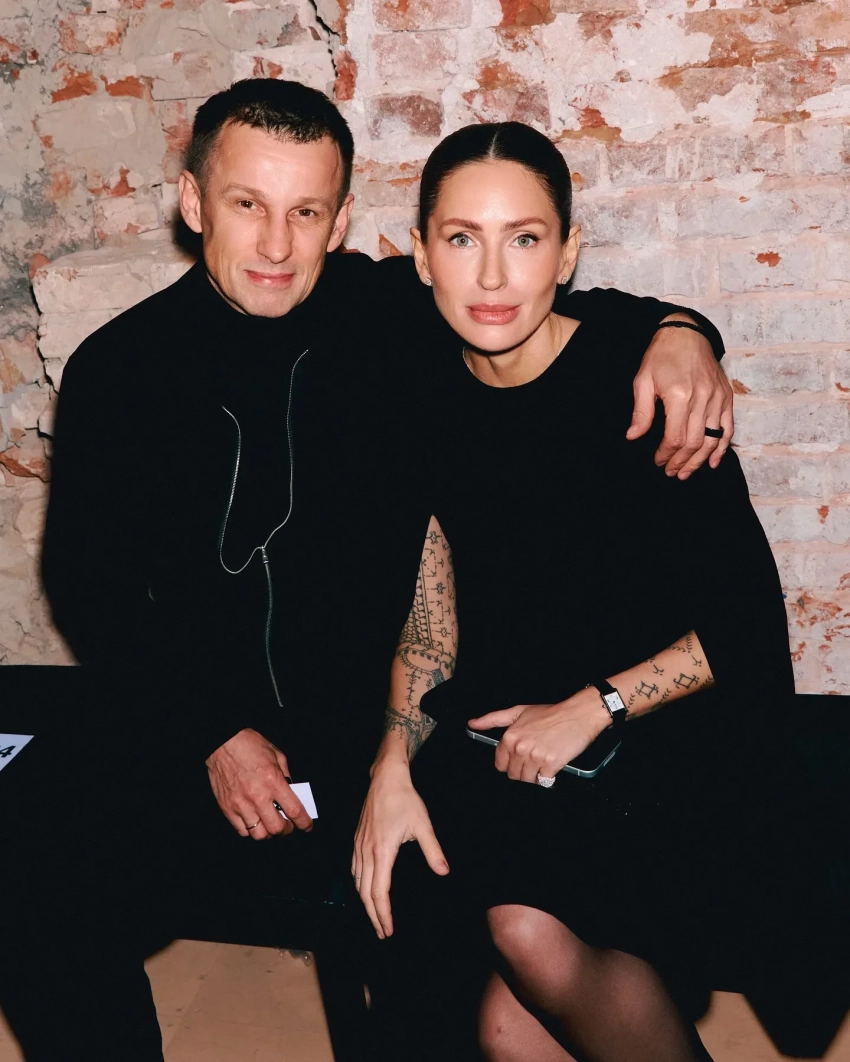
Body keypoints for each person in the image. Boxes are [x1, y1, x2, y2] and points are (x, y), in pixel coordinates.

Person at [1, 80, 730, 1060]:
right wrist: (212, 730)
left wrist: (682, 332)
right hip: (188, 718)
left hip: (373, 728)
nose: (276, 243)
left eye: (306, 212)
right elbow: (88, 586)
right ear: (193, 203)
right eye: (247, 204)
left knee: (440, 967)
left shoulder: (383, 311)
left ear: (341, 220)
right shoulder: (118, 369)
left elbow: (549, 305)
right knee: (30, 853)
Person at [353, 122, 794, 1061]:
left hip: (659, 734)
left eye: (525, 238)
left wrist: (594, 707)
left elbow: (746, 629)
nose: (492, 274)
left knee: (524, 931)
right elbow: (431, 619)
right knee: (504, 1026)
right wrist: (391, 765)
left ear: (567, 253)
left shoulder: (643, 389)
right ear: (422, 255)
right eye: (462, 238)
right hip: (514, 730)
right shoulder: (416, 381)